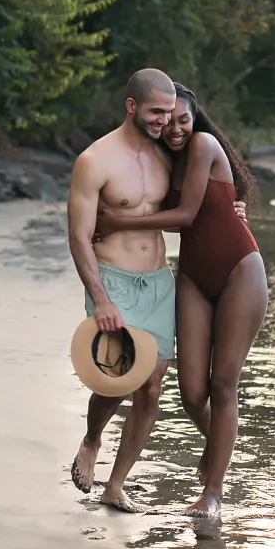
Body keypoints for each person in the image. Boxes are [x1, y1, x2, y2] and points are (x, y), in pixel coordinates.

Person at [96, 83, 266, 524]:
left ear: (196, 119)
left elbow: (189, 216)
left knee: (222, 385)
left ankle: (213, 491)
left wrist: (117, 221)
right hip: (192, 277)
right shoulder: (160, 160)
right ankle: (220, 448)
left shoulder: (205, 145)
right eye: (167, 120)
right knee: (191, 393)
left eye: (183, 120)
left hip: (239, 271)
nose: (174, 129)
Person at [67, 67, 182, 512]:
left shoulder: (168, 156)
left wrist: (232, 207)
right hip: (113, 280)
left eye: (169, 113)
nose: (164, 121)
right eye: (156, 112)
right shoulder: (95, 161)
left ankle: (116, 485)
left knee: (151, 388)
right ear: (132, 106)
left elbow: (191, 206)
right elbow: (79, 237)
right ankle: (93, 438)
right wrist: (101, 299)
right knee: (117, 381)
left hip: (158, 281)